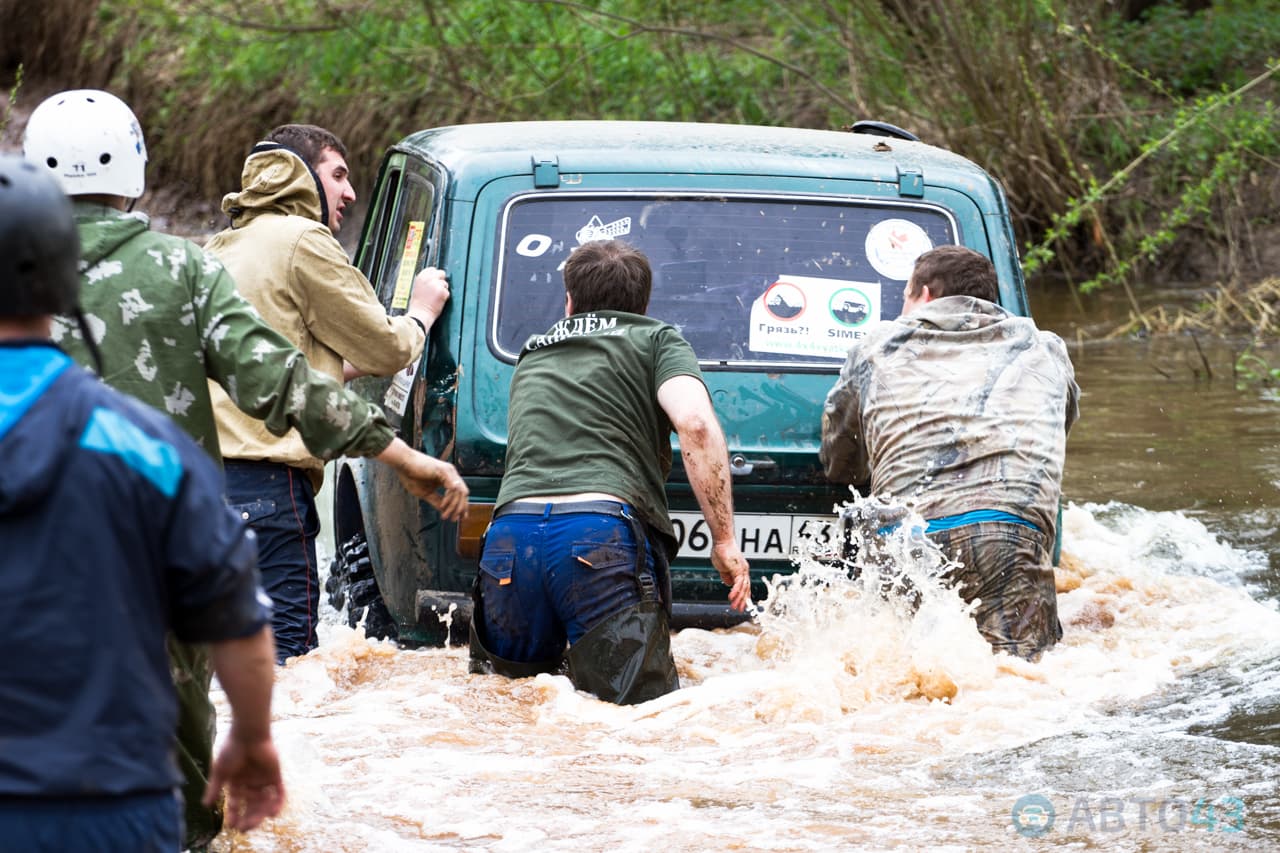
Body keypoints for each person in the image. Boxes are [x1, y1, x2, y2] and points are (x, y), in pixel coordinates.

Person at [21, 89, 468, 849]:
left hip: (33, 551)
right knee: (188, 771)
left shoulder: (64, 267)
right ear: (134, 168)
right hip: (164, 550)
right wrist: (401, 453)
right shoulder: (180, 268)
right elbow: (284, 384)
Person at [0, 153, 283, 850]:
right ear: (67, 276)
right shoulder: (145, 445)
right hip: (114, 802)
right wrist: (250, 737)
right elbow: (237, 616)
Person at [202, 123, 449, 663]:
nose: (350, 193)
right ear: (299, 174)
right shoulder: (303, 240)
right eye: (338, 175)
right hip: (270, 492)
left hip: (203, 491)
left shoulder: (222, 246)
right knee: (288, 668)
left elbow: (271, 369)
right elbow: (386, 347)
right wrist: (422, 314)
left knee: (219, 666)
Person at [468, 239, 751, 704]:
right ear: (642, 306)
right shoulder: (657, 339)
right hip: (598, 536)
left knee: (511, 713)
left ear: (569, 302)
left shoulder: (533, 352)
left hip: (509, 541)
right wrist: (723, 540)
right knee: (633, 722)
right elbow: (696, 425)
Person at [820, 245, 1080, 660]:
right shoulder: (1043, 348)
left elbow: (841, 456)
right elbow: (1056, 427)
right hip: (1009, 535)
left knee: (898, 675)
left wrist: (853, 472)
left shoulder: (877, 347)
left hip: (905, 534)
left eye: (904, 297)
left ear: (924, 294)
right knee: (1023, 680)